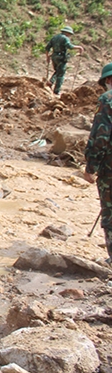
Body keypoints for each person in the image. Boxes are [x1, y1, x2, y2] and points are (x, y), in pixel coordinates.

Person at [84, 63, 112, 265]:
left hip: (109, 168)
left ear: (108, 80)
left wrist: (91, 166)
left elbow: (101, 136)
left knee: (110, 213)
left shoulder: (107, 100)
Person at [45, 25, 84, 95]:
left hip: (54, 56)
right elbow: (70, 46)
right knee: (61, 74)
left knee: (57, 71)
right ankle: (56, 91)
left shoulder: (54, 37)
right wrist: (79, 47)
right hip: (61, 58)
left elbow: (47, 47)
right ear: (67, 33)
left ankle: (51, 81)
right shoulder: (65, 38)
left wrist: (47, 57)